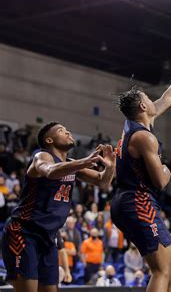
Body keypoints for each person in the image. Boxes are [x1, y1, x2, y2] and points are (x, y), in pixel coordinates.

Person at [111, 53, 171, 292]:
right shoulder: (143, 137)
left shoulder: (139, 125)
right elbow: (161, 181)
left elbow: (167, 99)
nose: (155, 100)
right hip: (136, 202)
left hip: (136, 201)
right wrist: (167, 169)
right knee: (161, 268)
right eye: (148, 98)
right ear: (143, 106)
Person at [1, 122, 115, 292]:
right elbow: (50, 171)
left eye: (68, 130)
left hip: (48, 236)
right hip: (24, 232)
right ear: (49, 140)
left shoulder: (71, 164)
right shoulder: (41, 156)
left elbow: (102, 182)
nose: (68, 132)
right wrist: (84, 161)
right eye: (62, 131)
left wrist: (110, 166)